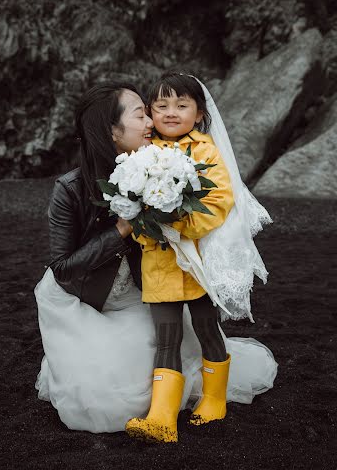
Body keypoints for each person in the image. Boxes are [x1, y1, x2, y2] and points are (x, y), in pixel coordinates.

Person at [35, 80, 277, 435]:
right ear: (111, 131)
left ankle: (195, 403)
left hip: (149, 290)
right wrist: (121, 229)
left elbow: (212, 203)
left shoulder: (168, 161)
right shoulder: (71, 188)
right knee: (104, 398)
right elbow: (62, 269)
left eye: (150, 112)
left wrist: (173, 210)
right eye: (143, 114)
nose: (154, 120)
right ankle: (161, 418)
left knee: (177, 349)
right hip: (89, 303)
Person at [125, 72, 277, 443]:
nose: (171, 113)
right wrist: (149, 220)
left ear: (199, 112)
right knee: (167, 336)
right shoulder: (143, 152)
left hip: (198, 261)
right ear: (151, 112)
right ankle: (161, 418)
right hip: (159, 261)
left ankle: (213, 398)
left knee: (208, 328)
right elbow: (129, 201)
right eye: (161, 106)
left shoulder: (205, 149)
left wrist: (182, 222)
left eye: (181, 105)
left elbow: (219, 200)